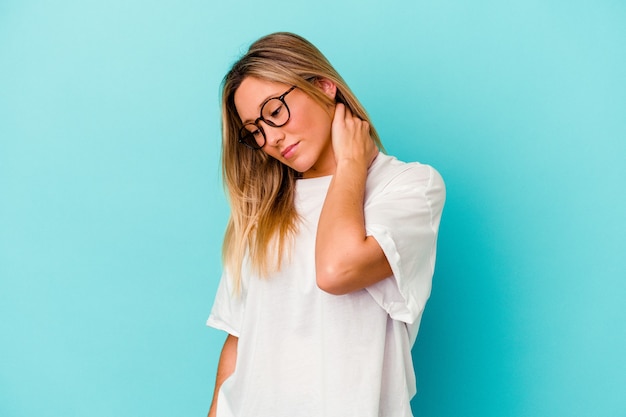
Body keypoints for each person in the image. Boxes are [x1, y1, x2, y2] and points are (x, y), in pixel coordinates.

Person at [206, 32, 445, 417]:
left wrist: (351, 165)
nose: (271, 137)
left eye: (275, 111)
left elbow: (337, 270)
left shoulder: (409, 187)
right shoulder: (264, 211)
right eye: (255, 131)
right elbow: (238, 340)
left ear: (323, 86)